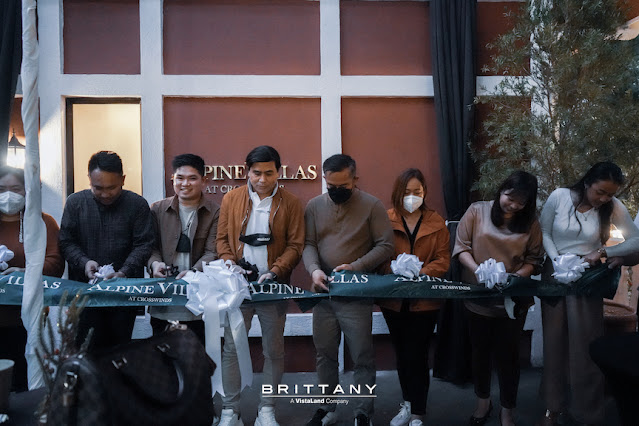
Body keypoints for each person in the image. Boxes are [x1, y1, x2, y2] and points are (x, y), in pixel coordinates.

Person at [538, 162, 639, 426]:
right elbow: (544, 231)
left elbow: (635, 240)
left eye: (610, 194)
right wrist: (557, 261)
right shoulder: (559, 196)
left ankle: (587, 412)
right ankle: (552, 408)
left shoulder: (612, 206)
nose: (604, 198)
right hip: (554, 275)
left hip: (587, 277)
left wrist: (603, 252)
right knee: (554, 343)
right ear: (587, 183)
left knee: (586, 345)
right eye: (600, 192)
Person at [216, 145, 304, 426]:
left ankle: (267, 410)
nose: (262, 179)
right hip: (238, 286)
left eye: (269, 173)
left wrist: (276, 270)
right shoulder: (231, 199)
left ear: (278, 172)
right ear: (247, 172)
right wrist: (230, 262)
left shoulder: (291, 203)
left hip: (273, 287)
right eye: (256, 173)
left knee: (273, 351)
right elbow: (221, 241)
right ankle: (230, 411)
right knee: (232, 348)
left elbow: (296, 245)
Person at [304, 154, 394, 426]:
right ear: (324, 179)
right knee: (325, 354)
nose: (336, 191)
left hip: (356, 295)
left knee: (362, 356)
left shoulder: (372, 205)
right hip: (323, 293)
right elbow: (308, 244)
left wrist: (356, 266)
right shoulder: (314, 206)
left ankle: (363, 412)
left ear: (355, 179)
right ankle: (326, 407)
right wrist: (314, 270)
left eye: (343, 186)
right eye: (331, 186)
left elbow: (386, 245)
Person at [453, 171, 544, 426]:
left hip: (512, 300)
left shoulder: (531, 223)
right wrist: (478, 271)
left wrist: (513, 278)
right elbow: (461, 247)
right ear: (501, 190)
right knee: (479, 353)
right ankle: (483, 403)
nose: (513, 205)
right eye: (510, 198)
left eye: (521, 202)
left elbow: (534, 260)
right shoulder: (477, 211)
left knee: (509, 357)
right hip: (478, 295)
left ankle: (507, 410)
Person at [59, 151, 154, 352]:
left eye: (111, 188)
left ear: (123, 180)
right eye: (98, 188)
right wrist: (84, 262)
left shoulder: (137, 205)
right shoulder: (75, 203)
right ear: (89, 180)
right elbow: (66, 242)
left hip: (124, 296)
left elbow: (144, 244)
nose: (105, 194)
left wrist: (124, 272)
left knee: (119, 354)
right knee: (85, 353)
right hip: (84, 295)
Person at [379, 168, 450, 426]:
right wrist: (395, 269)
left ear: (424, 192)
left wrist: (420, 272)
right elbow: (378, 254)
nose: (412, 197)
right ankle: (407, 405)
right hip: (394, 300)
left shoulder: (436, 222)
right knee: (402, 354)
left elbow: (443, 259)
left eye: (417, 192)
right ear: (398, 193)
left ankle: (418, 413)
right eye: (407, 192)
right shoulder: (385, 219)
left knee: (418, 354)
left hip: (425, 300)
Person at [0, 166, 64, 391]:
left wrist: (25, 272)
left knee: (24, 381)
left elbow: (56, 263)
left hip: (29, 319)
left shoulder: (43, 222)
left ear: (28, 190)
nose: (8, 195)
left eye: (15, 189)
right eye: (2, 189)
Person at [147, 153, 219, 344]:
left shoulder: (215, 212)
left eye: (192, 178)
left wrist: (193, 273)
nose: (185, 183)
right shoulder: (157, 209)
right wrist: (155, 264)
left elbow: (213, 251)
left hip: (198, 299)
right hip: (164, 297)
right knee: (162, 355)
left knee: (196, 355)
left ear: (204, 180)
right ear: (173, 179)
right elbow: (150, 247)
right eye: (180, 178)